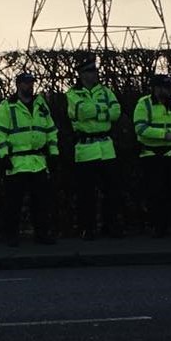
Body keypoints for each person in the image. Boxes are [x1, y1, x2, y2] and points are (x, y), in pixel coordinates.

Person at [0, 72, 58, 247]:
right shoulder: (7, 106)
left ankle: (42, 234)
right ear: (18, 85)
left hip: (38, 161)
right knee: (13, 203)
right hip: (17, 162)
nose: (30, 86)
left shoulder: (41, 105)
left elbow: (51, 130)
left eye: (31, 82)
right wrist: (4, 155)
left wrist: (54, 152)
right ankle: (11, 235)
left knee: (41, 202)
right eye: (26, 83)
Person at [65, 56, 124, 240]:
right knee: (86, 193)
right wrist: (103, 111)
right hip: (85, 150)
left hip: (106, 148)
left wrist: (95, 111)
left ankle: (110, 226)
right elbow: (82, 112)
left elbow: (116, 112)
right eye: (90, 71)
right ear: (82, 74)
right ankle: (87, 228)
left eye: (95, 71)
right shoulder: (73, 93)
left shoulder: (106, 91)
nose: (95, 74)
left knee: (111, 191)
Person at [133, 74, 171, 237]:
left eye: (168, 87)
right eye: (162, 87)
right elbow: (140, 128)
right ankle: (159, 226)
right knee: (156, 192)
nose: (166, 90)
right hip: (151, 154)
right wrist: (163, 135)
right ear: (154, 88)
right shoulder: (144, 104)